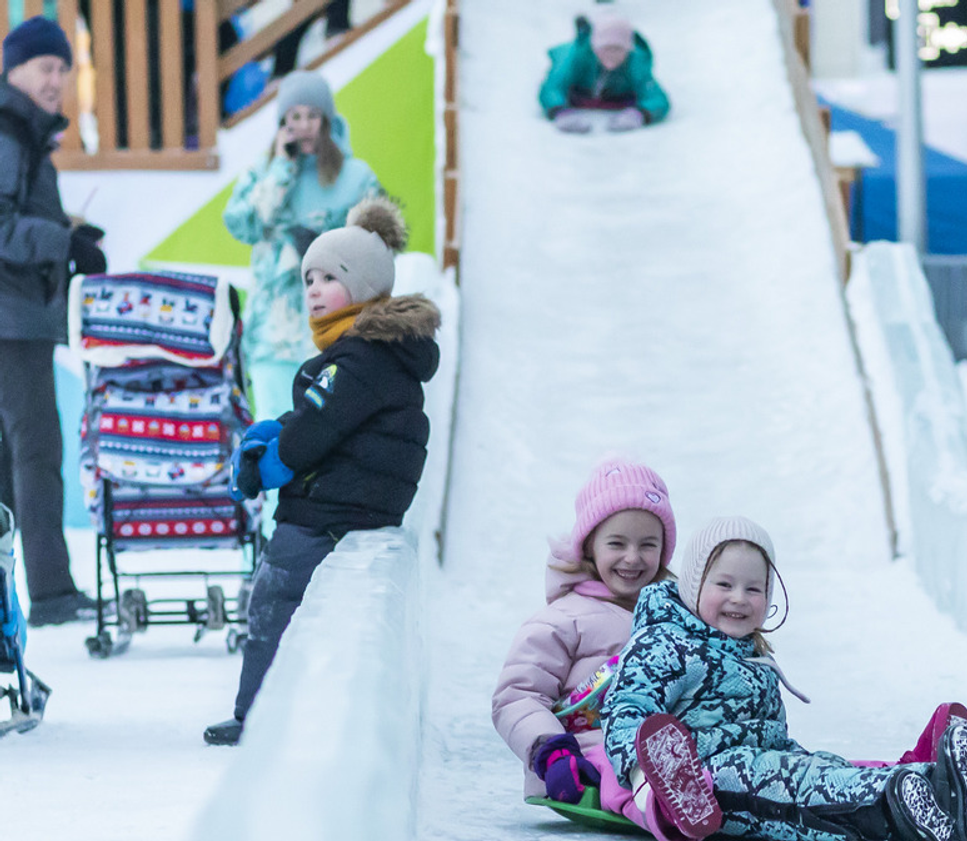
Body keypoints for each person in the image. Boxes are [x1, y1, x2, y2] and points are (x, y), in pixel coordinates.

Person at [597, 517, 967, 841]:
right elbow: (626, 710)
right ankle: (891, 809)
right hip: (703, 780)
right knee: (792, 787)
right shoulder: (664, 642)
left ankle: (935, 785)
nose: (739, 598)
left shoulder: (756, 660)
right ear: (694, 586)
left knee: (814, 770)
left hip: (757, 764)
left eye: (754, 589)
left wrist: (804, 760)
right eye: (724, 585)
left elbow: (773, 740)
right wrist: (643, 777)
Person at [205, 195, 438, 746]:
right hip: (351, 503)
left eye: (328, 278)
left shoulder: (360, 358)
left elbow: (315, 428)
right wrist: (272, 432)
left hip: (331, 512)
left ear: (363, 289)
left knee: (275, 594)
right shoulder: (372, 354)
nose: (312, 290)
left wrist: (268, 465)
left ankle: (257, 713)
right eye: (308, 278)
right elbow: (320, 416)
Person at [0, 17, 105, 627]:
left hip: (17, 315)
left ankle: (16, 595)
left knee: (14, 458)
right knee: (37, 453)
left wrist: (70, 233)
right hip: (12, 322)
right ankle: (52, 595)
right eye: (46, 67)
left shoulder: (23, 134)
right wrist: (64, 245)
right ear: (15, 68)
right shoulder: (10, 131)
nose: (57, 79)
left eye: (65, 68)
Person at [492, 458, 677, 803]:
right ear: (590, 544)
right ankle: (656, 804)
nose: (632, 558)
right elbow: (517, 696)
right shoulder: (561, 620)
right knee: (622, 768)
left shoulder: (676, 619)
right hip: (582, 766)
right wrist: (552, 751)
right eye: (617, 543)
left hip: (663, 751)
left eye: (648, 545)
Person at [223, 70, 381, 424]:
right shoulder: (262, 171)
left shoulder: (356, 176)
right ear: (282, 123)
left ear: (327, 119)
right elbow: (242, 225)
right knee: (271, 436)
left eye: (312, 115)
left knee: (326, 441)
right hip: (271, 337)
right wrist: (281, 169)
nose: (305, 125)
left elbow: (379, 249)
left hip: (332, 337)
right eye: (295, 117)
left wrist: (329, 251)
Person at [539, 13, 669, 134]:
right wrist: (558, 111)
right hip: (581, 94)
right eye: (606, 48)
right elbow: (552, 87)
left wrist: (641, 114)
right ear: (595, 48)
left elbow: (656, 97)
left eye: (618, 49)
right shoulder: (573, 57)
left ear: (628, 50)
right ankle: (583, 31)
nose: (612, 54)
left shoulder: (636, 62)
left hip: (612, 97)